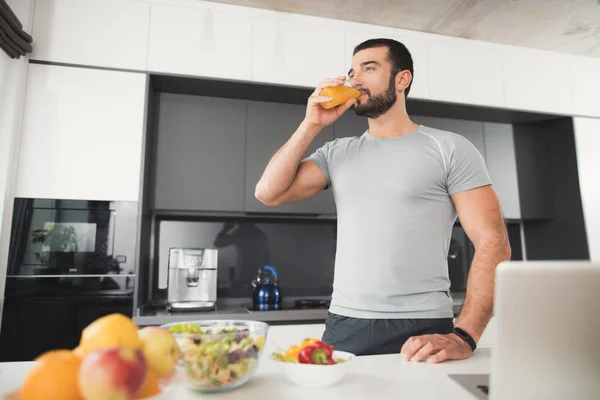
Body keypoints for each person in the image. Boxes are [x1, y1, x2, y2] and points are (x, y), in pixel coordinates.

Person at [254, 38, 511, 363]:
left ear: (402, 79)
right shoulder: (337, 152)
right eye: (352, 71)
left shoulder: (450, 148)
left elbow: (493, 240)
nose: (354, 79)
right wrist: (311, 124)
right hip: (344, 323)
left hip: (423, 324)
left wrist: (465, 335)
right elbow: (268, 192)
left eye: (369, 68)